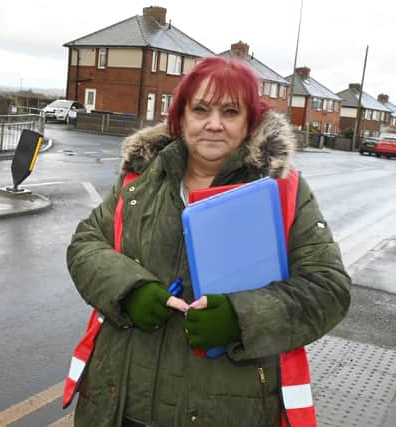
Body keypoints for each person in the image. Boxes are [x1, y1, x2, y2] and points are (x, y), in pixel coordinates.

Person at [66, 57, 351, 427]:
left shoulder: (284, 192)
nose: (214, 124)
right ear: (181, 116)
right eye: (201, 109)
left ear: (249, 121)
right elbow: (86, 243)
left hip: (225, 410)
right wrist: (129, 290)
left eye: (230, 112)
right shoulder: (140, 181)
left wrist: (240, 317)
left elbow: (329, 288)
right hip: (120, 405)